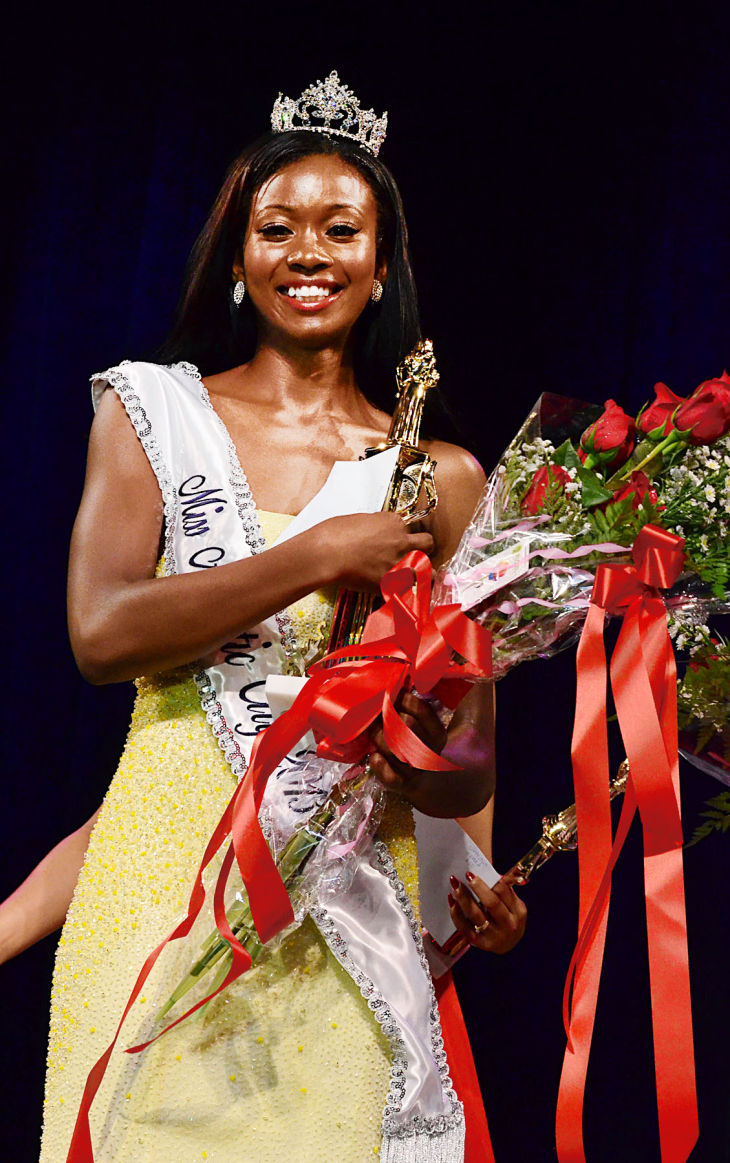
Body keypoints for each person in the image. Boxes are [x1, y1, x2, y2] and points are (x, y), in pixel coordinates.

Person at [24, 71, 526, 1163]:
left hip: (343, 918)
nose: (308, 250)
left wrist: (470, 877)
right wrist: (314, 556)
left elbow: (472, 758)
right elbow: (102, 635)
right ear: (240, 259)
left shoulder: (437, 479)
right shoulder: (151, 412)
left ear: (381, 263)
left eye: (340, 229)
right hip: (157, 891)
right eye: (277, 227)